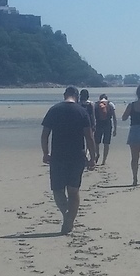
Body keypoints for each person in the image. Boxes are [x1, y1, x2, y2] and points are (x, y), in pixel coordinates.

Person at [41, 86, 98, 235]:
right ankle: (69, 220)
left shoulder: (54, 110)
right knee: (73, 191)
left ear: (65, 94)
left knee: (57, 189)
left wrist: (45, 153)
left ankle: (67, 216)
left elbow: (45, 135)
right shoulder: (82, 111)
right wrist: (92, 157)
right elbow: (89, 137)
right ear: (77, 96)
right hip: (77, 156)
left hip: (58, 155)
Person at [93, 94, 118, 165]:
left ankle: (97, 154)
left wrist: (92, 126)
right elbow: (114, 118)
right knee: (106, 143)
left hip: (98, 124)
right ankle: (104, 160)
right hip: (108, 124)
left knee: (97, 142)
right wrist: (115, 129)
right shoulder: (110, 104)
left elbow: (93, 116)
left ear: (100, 98)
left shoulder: (96, 104)